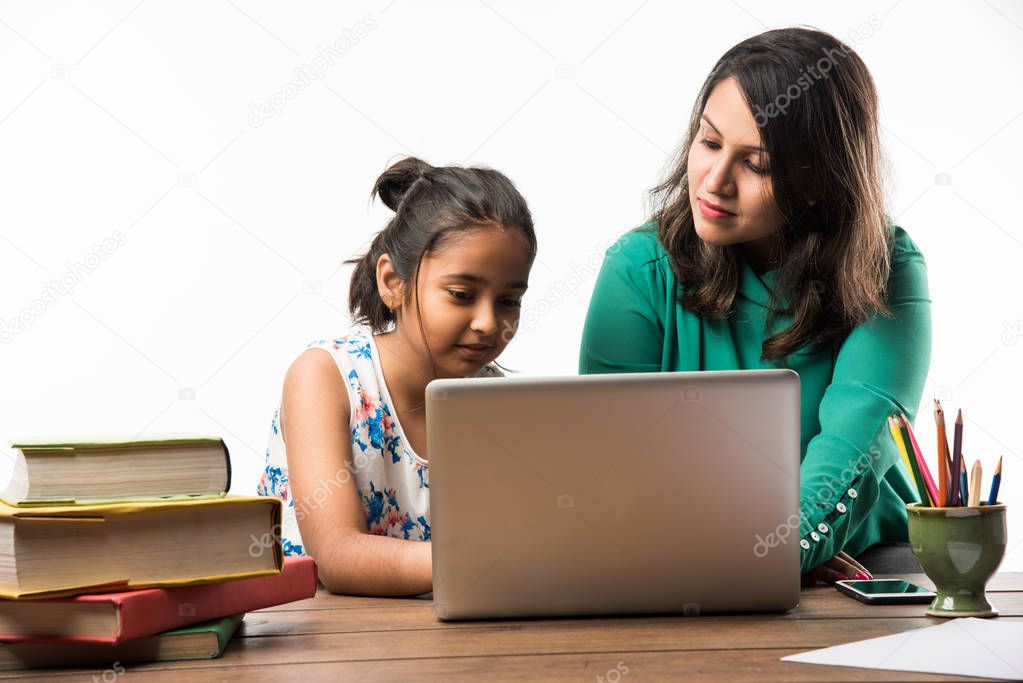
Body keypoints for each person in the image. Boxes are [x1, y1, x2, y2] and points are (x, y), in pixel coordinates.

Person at [579, 27, 931, 585]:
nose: (714, 182)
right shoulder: (635, 268)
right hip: (686, 548)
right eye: (710, 143)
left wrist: (785, 550)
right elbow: (616, 465)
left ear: (820, 180)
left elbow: (852, 449)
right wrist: (750, 559)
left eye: (757, 165)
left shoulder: (885, 266)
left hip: (864, 551)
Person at [258, 157, 536, 596]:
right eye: (462, 295)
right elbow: (337, 556)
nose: (487, 322)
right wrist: (493, 561)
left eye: (508, 301)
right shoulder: (326, 377)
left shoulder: (494, 402)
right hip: (317, 643)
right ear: (392, 282)